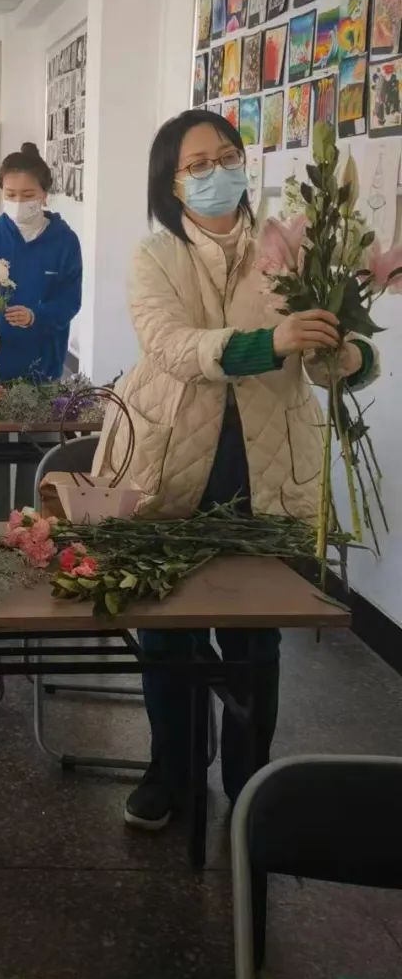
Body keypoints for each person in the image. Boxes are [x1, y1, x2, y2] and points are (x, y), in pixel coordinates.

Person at [95, 111, 376, 831]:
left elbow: (327, 359)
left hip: (267, 463)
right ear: (172, 183)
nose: (216, 173)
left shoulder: (293, 249)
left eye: (226, 156)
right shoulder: (155, 256)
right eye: (197, 164)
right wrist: (270, 341)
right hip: (168, 464)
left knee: (255, 638)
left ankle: (252, 783)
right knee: (168, 631)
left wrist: (344, 354)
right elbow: (170, 346)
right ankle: (173, 772)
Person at [0, 142, 83, 511]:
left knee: (38, 459)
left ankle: (31, 525)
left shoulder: (64, 241)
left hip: (41, 369)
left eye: (27, 195)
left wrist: (37, 316)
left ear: (44, 194)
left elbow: (70, 301)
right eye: (10, 194)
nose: (18, 202)